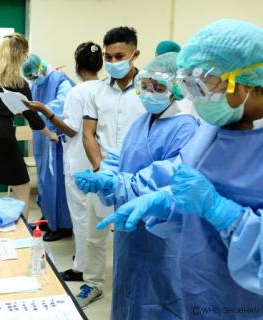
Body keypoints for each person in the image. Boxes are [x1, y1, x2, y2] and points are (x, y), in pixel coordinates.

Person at [97, 19, 263, 319]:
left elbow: (213, 202)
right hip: (200, 292)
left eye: (204, 84)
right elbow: (189, 191)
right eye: (189, 85)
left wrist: (224, 213)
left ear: (249, 81)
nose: (196, 97)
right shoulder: (211, 130)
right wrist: (166, 200)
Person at [74, 52, 199, 319]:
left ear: (176, 89)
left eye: (159, 86)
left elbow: (169, 174)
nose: (150, 92)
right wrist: (103, 175)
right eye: (145, 85)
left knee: (159, 297)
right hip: (128, 228)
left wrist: (118, 182)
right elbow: (121, 156)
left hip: (160, 233)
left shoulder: (185, 127)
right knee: (127, 292)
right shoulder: (142, 121)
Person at [76, 26, 146, 308]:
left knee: (136, 238)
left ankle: (136, 290)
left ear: (135, 54)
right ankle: (93, 284)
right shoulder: (97, 92)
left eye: (120, 56)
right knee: (95, 236)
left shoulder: (149, 90)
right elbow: (88, 134)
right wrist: (100, 171)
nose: (114, 63)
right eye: (109, 57)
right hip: (102, 174)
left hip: (137, 179)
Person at [24, 42, 103, 281]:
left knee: (80, 217)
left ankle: (81, 266)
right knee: (99, 219)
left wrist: (46, 113)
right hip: (103, 163)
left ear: (77, 67)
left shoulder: (76, 92)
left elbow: (70, 129)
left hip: (79, 161)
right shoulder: (107, 90)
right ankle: (93, 267)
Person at [0, 34, 57, 219]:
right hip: (2, 136)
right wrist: (50, 134)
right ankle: (23, 236)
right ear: (20, 54)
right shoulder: (18, 83)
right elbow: (33, 118)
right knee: (22, 187)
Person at [22, 54, 75, 241]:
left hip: (57, 139)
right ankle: (48, 218)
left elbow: (63, 106)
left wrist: (41, 109)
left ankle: (63, 225)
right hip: (42, 136)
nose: (34, 80)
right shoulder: (36, 83)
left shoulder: (60, 81)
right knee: (44, 181)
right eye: (31, 78)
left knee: (58, 183)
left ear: (42, 67)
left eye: (35, 76)